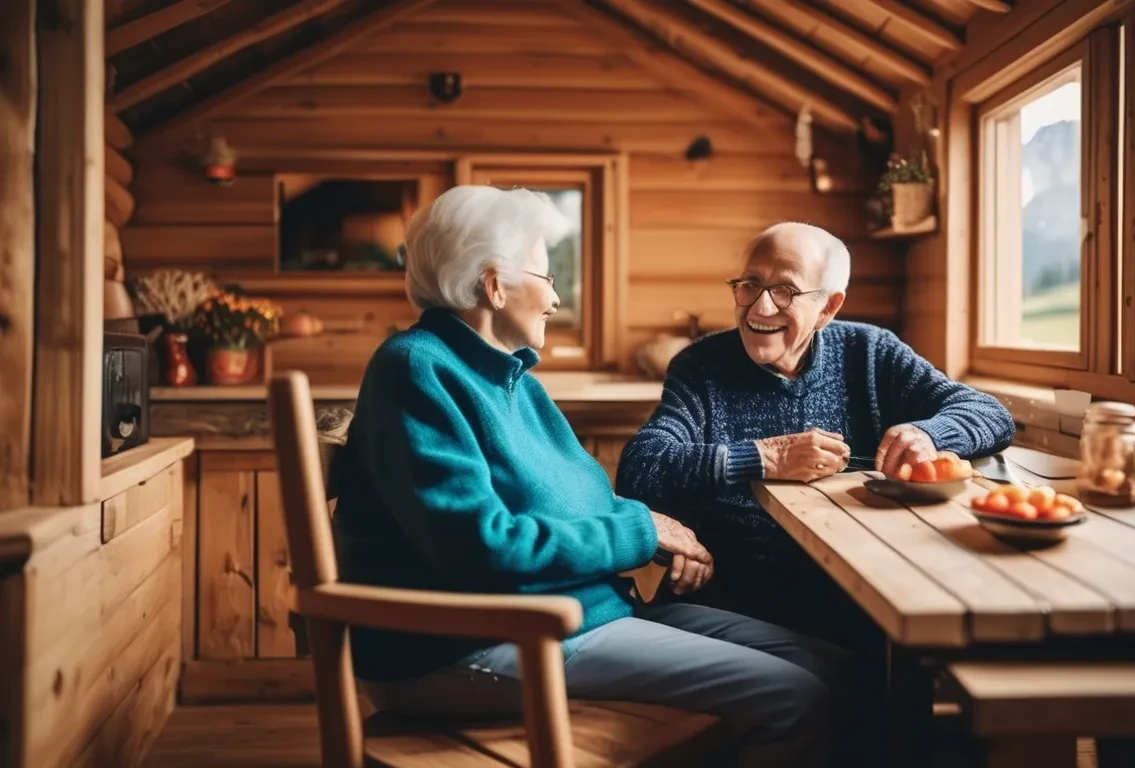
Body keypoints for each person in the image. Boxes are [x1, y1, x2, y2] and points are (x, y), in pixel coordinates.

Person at [331, 187, 850, 767]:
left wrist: (656, 536)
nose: (554, 298)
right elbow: (481, 544)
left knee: (832, 667)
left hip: (585, 612)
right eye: (546, 276)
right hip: (474, 643)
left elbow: (581, 504)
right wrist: (639, 531)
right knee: (791, 696)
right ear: (494, 285)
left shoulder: (513, 378)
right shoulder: (416, 368)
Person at [615, 221, 1017, 648]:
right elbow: (642, 467)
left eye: (785, 291)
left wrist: (930, 435)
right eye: (750, 283)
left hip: (863, 591)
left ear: (828, 308)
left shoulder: (870, 353)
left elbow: (990, 412)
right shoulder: (702, 366)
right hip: (740, 597)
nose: (759, 308)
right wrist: (763, 458)